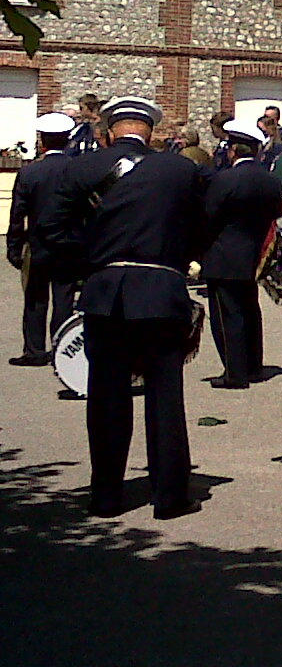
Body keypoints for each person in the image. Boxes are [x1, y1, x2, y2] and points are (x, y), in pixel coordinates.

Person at [44, 97, 207, 519]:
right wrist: (175, 256)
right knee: (165, 397)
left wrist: (94, 261)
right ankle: (170, 496)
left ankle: (106, 496)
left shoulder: (81, 168)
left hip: (105, 291)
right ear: (149, 131)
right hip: (162, 286)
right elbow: (201, 224)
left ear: (109, 130)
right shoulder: (180, 169)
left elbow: (52, 227)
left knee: (107, 397)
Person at [200, 118, 282, 388]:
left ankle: (235, 372)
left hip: (225, 252)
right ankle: (254, 365)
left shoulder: (225, 179)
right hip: (255, 251)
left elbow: (209, 216)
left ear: (233, 150)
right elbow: (275, 216)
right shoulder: (271, 180)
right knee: (249, 311)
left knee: (227, 316)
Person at [7, 113, 83, 367]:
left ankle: (34, 350)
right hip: (71, 243)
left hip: (39, 243)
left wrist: (14, 247)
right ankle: (62, 347)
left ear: (42, 142)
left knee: (35, 298)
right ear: (68, 140)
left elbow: (18, 213)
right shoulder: (78, 169)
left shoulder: (31, 172)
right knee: (64, 297)